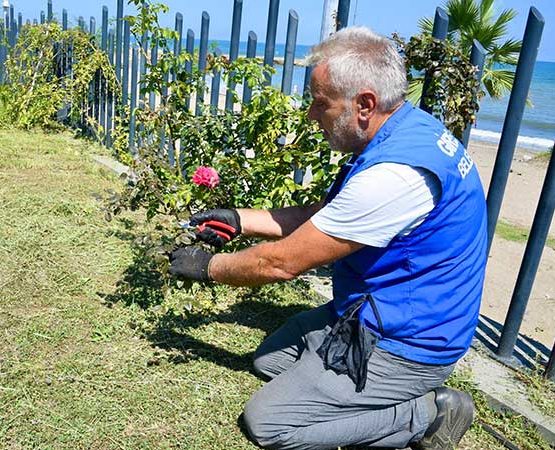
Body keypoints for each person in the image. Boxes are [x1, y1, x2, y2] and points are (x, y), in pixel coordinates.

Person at [168, 26, 487, 450]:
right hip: (378, 310)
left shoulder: (394, 177)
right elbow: (328, 217)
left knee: (268, 422)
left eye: (321, 103)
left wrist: (206, 267)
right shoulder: (406, 129)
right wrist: (239, 219)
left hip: (407, 342)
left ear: (364, 104)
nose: (311, 114)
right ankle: (334, 375)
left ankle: (428, 414)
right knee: (269, 360)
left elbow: (280, 264)